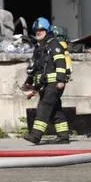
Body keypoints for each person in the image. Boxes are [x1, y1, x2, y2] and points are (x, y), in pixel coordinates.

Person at [21, 17, 72, 145]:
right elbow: (35, 68)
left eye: (41, 30)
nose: (38, 32)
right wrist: (29, 83)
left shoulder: (54, 44)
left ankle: (36, 136)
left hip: (54, 83)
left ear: (47, 30)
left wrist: (61, 80)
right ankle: (63, 136)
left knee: (43, 108)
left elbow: (61, 62)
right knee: (55, 110)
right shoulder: (40, 48)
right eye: (36, 30)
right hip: (45, 84)